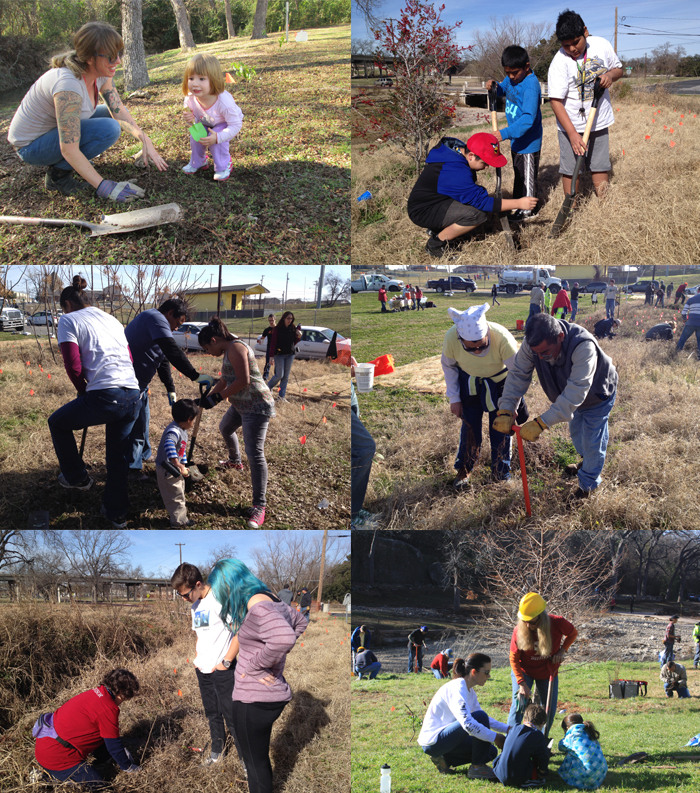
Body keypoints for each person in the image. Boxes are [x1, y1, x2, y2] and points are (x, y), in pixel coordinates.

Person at [8, 22, 166, 200]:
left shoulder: (101, 74)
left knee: (110, 116)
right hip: (32, 146)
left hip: (54, 132)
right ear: (90, 58)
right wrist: (104, 186)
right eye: (111, 56)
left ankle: (71, 166)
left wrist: (144, 139)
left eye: (119, 54)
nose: (118, 61)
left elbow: (118, 110)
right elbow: (68, 148)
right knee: (109, 128)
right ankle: (57, 177)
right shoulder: (68, 86)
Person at [48, 277, 141, 528]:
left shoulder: (68, 320)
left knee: (57, 423)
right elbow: (129, 356)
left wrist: (83, 390)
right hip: (133, 394)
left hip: (105, 395)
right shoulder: (111, 318)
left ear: (67, 304)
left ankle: (77, 477)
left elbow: (73, 363)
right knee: (117, 458)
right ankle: (116, 513)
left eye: (63, 307)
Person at [208, 558, 307, 793]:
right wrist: (273, 662)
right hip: (269, 694)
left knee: (255, 763)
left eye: (219, 591)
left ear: (228, 586)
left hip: (253, 697)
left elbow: (284, 638)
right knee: (258, 758)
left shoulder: (258, 605)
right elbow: (300, 622)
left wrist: (255, 666)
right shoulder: (271, 598)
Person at [494, 312, 618, 497]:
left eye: (545, 352)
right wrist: (506, 407)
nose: (540, 358)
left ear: (560, 336)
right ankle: (586, 462)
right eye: (536, 353)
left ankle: (587, 487)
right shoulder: (534, 344)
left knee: (593, 440)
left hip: (597, 395)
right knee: (577, 433)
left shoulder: (583, 346)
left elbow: (576, 391)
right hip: (572, 396)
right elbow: (518, 374)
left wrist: (541, 423)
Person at [197, 317, 276, 529]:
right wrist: (209, 397)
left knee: (255, 452)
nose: (208, 352)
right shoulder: (228, 350)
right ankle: (234, 461)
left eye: (206, 348)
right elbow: (226, 380)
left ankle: (259, 506)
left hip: (256, 405)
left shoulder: (237, 348)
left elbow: (243, 380)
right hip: (242, 404)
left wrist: (218, 398)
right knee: (225, 427)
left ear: (213, 340)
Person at [124, 298, 215, 480]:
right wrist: (195, 375)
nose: (176, 328)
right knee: (136, 425)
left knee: (143, 421)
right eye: (178, 323)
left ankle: (142, 457)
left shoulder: (155, 324)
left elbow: (163, 358)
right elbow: (172, 351)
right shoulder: (154, 317)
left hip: (140, 384)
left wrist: (170, 387)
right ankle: (132, 469)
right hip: (129, 383)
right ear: (170, 313)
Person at [407, 134, 538, 258]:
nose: (487, 167)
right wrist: (519, 203)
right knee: (477, 213)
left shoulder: (457, 152)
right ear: (471, 156)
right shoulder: (455, 171)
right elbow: (483, 202)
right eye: (485, 162)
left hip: (436, 201)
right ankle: (436, 243)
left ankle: (438, 228)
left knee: (476, 196)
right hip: (423, 211)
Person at [442, 304, 529, 488]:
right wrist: (455, 398)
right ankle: (464, 469)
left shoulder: (502, 338)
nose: (478, 352)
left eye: (482, 346)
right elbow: (449, 366)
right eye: (471, 349)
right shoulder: (451, 338)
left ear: (487, 334)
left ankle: (501, 472)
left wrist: (512, 405)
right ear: (460, 338)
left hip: (500, 383)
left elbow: (518, 375)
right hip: (470, 382)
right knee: (469, 428)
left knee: (502, 427)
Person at [170, 563, 242, 767]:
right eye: (180, 595)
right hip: (202, 669)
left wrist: (226, 662)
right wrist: (197, 660)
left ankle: (246, 760)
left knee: (232, 717)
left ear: (198, 584)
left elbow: (239, 632)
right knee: (212, 714)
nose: (184, 599)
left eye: (185, 594)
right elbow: (201, 635)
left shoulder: (221, 600)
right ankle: (217, 752)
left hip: (223, 670)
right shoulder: (195, 606)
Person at [547, 10, 622, 199]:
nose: (572, 48)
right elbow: (555, 102)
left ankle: (604, 203)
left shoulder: (602, 45)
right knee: (571, 168)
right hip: (569, 124)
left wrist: (609, 76)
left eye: (576, 42)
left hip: (598, 119)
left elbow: (618, 69)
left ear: (585, 32)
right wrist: (572, 134)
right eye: (566, 45)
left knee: (599, 164)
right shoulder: (559, 62)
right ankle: (570, 206)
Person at [33, 669, 141, 787]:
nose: (124, 701)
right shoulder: (108, 708)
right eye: (126, 697)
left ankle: (98, 760)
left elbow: (105, 735)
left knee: (104, 741)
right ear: (122, 692)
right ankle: (47, 780)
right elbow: (114, 746)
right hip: (57, 758)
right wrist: (128, 767)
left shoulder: (96, 692)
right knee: (99, 785)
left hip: (45, 746)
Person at [417, 653, 507, 780]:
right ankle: (477, 768)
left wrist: (507, 729)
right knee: (480, 718)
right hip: (434, 741)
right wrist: (496, 737)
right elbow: (468, 723)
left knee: (490, 751)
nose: (489, 676)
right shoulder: (458, 687)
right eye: (486, 672)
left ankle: (445, 760)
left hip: (446, 740)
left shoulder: (469, 690)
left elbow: (484, 719)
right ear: (474, 672)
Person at [485, 45, 543, 222]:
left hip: (528, 143)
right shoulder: (512, 78)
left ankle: (528, 212)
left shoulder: (530, 87)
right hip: (516, 140)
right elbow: (504, 89)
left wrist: (505, 133)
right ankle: (519, 204)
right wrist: (494, 86)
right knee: (519, 175)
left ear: (526, 66)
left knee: (526, 179)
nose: (510, 76)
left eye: (514, 73)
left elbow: (527, 120)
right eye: (507, 72)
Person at [506, 593, 578, 736]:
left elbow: (573, 633)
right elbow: (513, 658)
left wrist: (562, 651)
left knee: (548, 709)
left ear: (541, 617)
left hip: (548, 671)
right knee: (518, 707)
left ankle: (540, 740)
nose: (528, 625)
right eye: (524, 621)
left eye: (531, 622)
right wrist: (521, 683)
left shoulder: (557, 623)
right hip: (524, 671)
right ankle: (510, 740)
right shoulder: (519, 630)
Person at [181, 53, 243, 182]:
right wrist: (190, 120)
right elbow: (195, 122)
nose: (195, 84)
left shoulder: (224, 101)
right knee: (196, 135)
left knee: (215, 141)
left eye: (202, 79)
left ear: (214, 79)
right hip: (207, 121)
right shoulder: (189, 98)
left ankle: (223, 165)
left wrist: (218, 137)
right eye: (191, 78)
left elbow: (235, 125)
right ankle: (199, 161)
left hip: (226, 123)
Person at [154, 398, 198, 528]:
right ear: (189, 419)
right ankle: (178, 522)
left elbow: (181, 449)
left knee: (178, 492)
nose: (193, 423)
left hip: (174, 469)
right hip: (168, 469)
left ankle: (180, 517)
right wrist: (176, 463)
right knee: (176, 496)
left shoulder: (182, 430)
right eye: (194, 420)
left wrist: (183, 464)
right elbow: (169, 444)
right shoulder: (174, 431)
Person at [492, 703, 549, 787]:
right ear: (542, 724)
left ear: (524, 719)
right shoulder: (537, 735)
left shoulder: (514, 728)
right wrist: (542, 773)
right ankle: (528, 780)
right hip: (516, 777)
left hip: (498, 771)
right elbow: (543, 758)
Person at [351, 375, 377, 527]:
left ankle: (356, 508)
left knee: (357, 452)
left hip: (350, 390)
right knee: (364, 448)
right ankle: (351, 516)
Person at [557, 714, 607, 790]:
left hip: (586, 777)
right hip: (600, 776)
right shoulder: (590, 733)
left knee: (570, 754)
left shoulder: (572, 736)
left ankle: (568, 776)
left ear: (567, 728)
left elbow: (560, 746)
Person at [265, 311, 302, 400]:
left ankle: (281, 396)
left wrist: (299, 336)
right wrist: (271, 356)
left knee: (285, 377)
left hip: (290, 354)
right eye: (288, 318)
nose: (290, 320)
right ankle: (267, 387)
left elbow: (293, 342)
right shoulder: (277, 329)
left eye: (291, 319)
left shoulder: (293, 328)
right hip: (279, 354)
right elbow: (273, 343)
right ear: (284, 318)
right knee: (279, 375)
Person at [675, 288, 700, 359]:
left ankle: (676, 354)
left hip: (691, 323)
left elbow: (683, 312)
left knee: (683, 339)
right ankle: (699, 358)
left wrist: (685, 320)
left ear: (698, 291)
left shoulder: (691, 299)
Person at [260, 314, 276, 380]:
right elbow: (262, 338)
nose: (271, 322)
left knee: (278, 364)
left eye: (272, 320)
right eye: (269, 321)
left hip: (278, 349)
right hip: (270, 348)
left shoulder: (278, 329)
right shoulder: (267, 330)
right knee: (267, 363)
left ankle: (277, 378)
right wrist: (260, 341)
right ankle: (265, 378)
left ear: (275, 320)